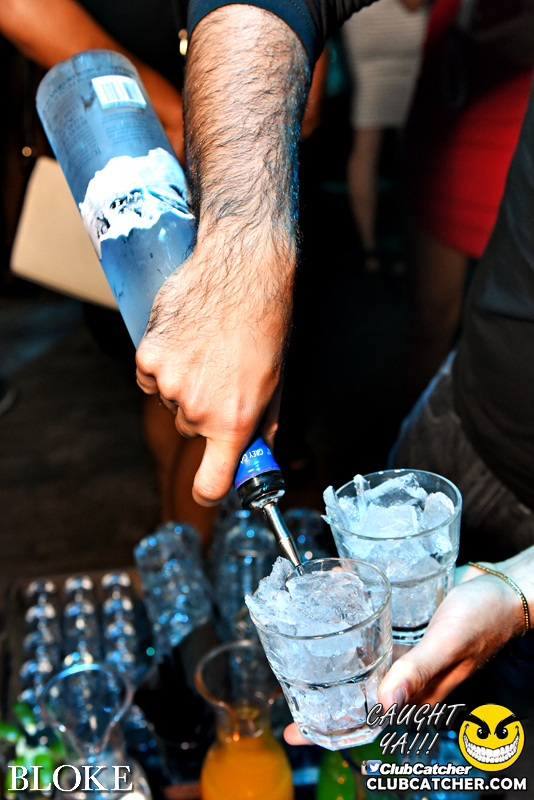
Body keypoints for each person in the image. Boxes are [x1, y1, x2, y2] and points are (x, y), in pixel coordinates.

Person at [341, 0, 428, 273]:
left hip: (363, 22)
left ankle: (369, 248)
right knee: (416, 149)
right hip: (403, 28)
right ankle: (413, 245)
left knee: (366, 144)